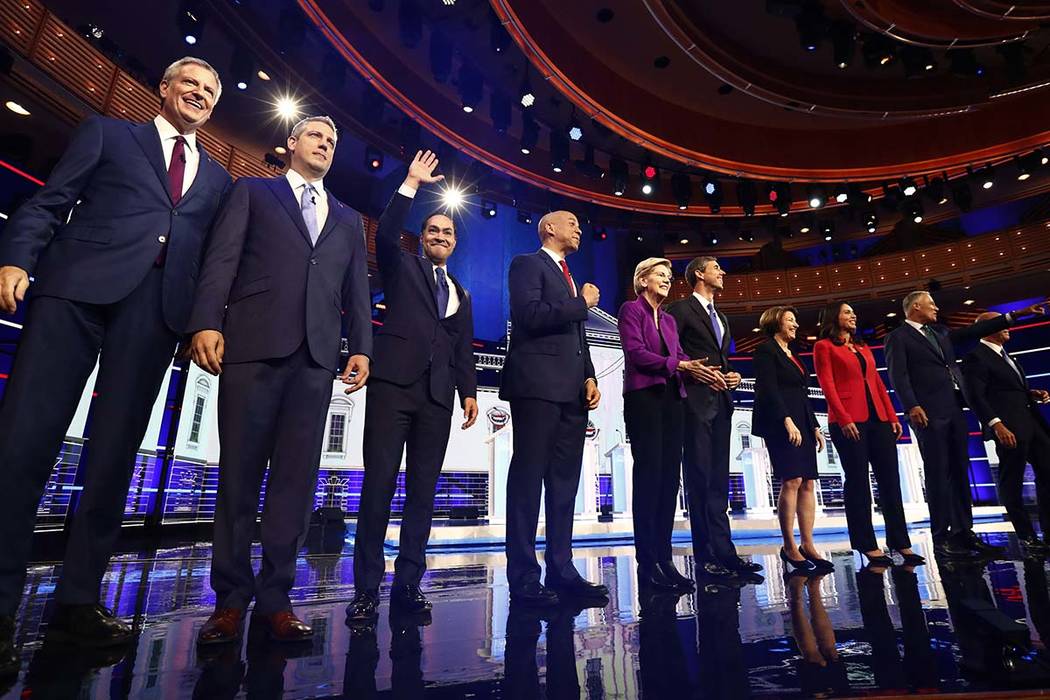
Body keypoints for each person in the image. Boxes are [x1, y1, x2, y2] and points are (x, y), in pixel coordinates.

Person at [0, 57, 231, 661]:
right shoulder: (108, 132)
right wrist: (17, 256)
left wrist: (205, 321)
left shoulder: (219, 180)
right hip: (73, 295)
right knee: (23, 444)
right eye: (191, 83)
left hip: (155, 316)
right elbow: (51, 201)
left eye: (210, 90)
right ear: (165, 87)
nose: (199, 94)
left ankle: (76, 603)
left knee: (113, 460)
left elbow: (214, 263)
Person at [188, 115, 372, 644]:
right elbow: (221, 259)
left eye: (333, 140)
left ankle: (276, 598)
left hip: (316, 360)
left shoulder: (348, 219)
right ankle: (228, 602)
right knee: (239, 479)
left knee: (294, 483)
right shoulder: (253, 192)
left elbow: (357, 292)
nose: (326, 144)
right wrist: (206, 320)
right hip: (251, 348)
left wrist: (362, 347)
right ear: (292, 143)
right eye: (317, 135)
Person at [347, 151, 479, 626]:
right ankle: (364, 591)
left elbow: (462, 346)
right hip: (392, 388)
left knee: (422, 493)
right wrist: (410, 184)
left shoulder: (462, 293)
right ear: (422, 240)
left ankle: (408, 586)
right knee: (378, 488)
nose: (440, 237)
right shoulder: (403, 267)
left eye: (447, 233)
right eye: (433, 232)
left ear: (454, 243)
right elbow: (383, 233)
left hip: (437, 398)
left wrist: (469, 391)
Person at [884, 291, 1046, 559]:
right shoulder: (898, 337)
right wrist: (911, 405)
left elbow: (978, 329)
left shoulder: (940, 333)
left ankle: (964, 533)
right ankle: (942, 538)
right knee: (937, 474)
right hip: (927, 412)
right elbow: (897, 374)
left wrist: (1016, 315)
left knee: (960, 472)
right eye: (931, 304)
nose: (936, 308)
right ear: (915, 307)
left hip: (954, 410)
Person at [499, 211, 607, 607]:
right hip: (538, 388)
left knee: (564, 486)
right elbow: (529, 317)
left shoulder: (568, 275)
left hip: (573, 393)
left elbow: (579, 339)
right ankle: (524, 577)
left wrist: (590, 375)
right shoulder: (527, 264)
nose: (579, 227)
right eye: (572, 222)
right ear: (549, 229)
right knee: (528, 483)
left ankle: (562, 570)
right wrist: (582, 303)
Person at [667, 257, 762, 583]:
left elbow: (722, 359)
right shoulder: (680, 310)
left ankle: (726, 554)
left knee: (719, 481)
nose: (722, 271)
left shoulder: (721, 315)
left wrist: (732, 375)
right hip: (694, 404)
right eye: (716, 267)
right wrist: (696, 372)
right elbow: (671, 352)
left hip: (722, 403)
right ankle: (705, 556)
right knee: (700, 480)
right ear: (699, 274)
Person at [618, 257, 704, 592]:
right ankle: (647, 562)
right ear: (642, 280)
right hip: (644, 400)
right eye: (660, 275)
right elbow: (636, 353)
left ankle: (665, 559)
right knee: (649, 478)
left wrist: (704, 371)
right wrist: (679, 365)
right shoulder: (631, 310)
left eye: (669, 276)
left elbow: (681, 356)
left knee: (670, 481)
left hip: (672, 401)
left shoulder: (668, 320)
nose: (667, 280)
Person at [813, 301, 921, 567]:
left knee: (890, 481)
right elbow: (827, 385)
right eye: (847, 312)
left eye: (853, 312)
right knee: (858, 482)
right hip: (848, 420)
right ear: (834, 317)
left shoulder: (862, 346)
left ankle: (900, 541)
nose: (853, 315)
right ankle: (866, 543)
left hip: (879, 420)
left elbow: (876, 382)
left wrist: (891, 416)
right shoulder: (823, 347)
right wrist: (844, 417)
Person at [961, 312, 1050, 558]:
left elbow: (1005, 389)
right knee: (1012, 482)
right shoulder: (975, 358)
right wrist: (996, 425)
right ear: (987, 328)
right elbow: (976, 396)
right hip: (1009, 430)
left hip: (1033, 424)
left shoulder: (1005, 355)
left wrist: (1030, 394)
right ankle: (1026, 537)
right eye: (1001, 323)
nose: (1008, 327)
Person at [751, 305, 828, 573]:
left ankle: (808, 544)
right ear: (776, 323)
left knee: (808, 481)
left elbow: (802, 394)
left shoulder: (793, 354)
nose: (795, 325)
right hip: (780, 421)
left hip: (802, 422)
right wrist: (786, 420)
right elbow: (768, 390)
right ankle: (789, 546)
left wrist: (815, 426)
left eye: (795, 320)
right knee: (792, 479)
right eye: (790, 320)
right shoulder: (765, 351)